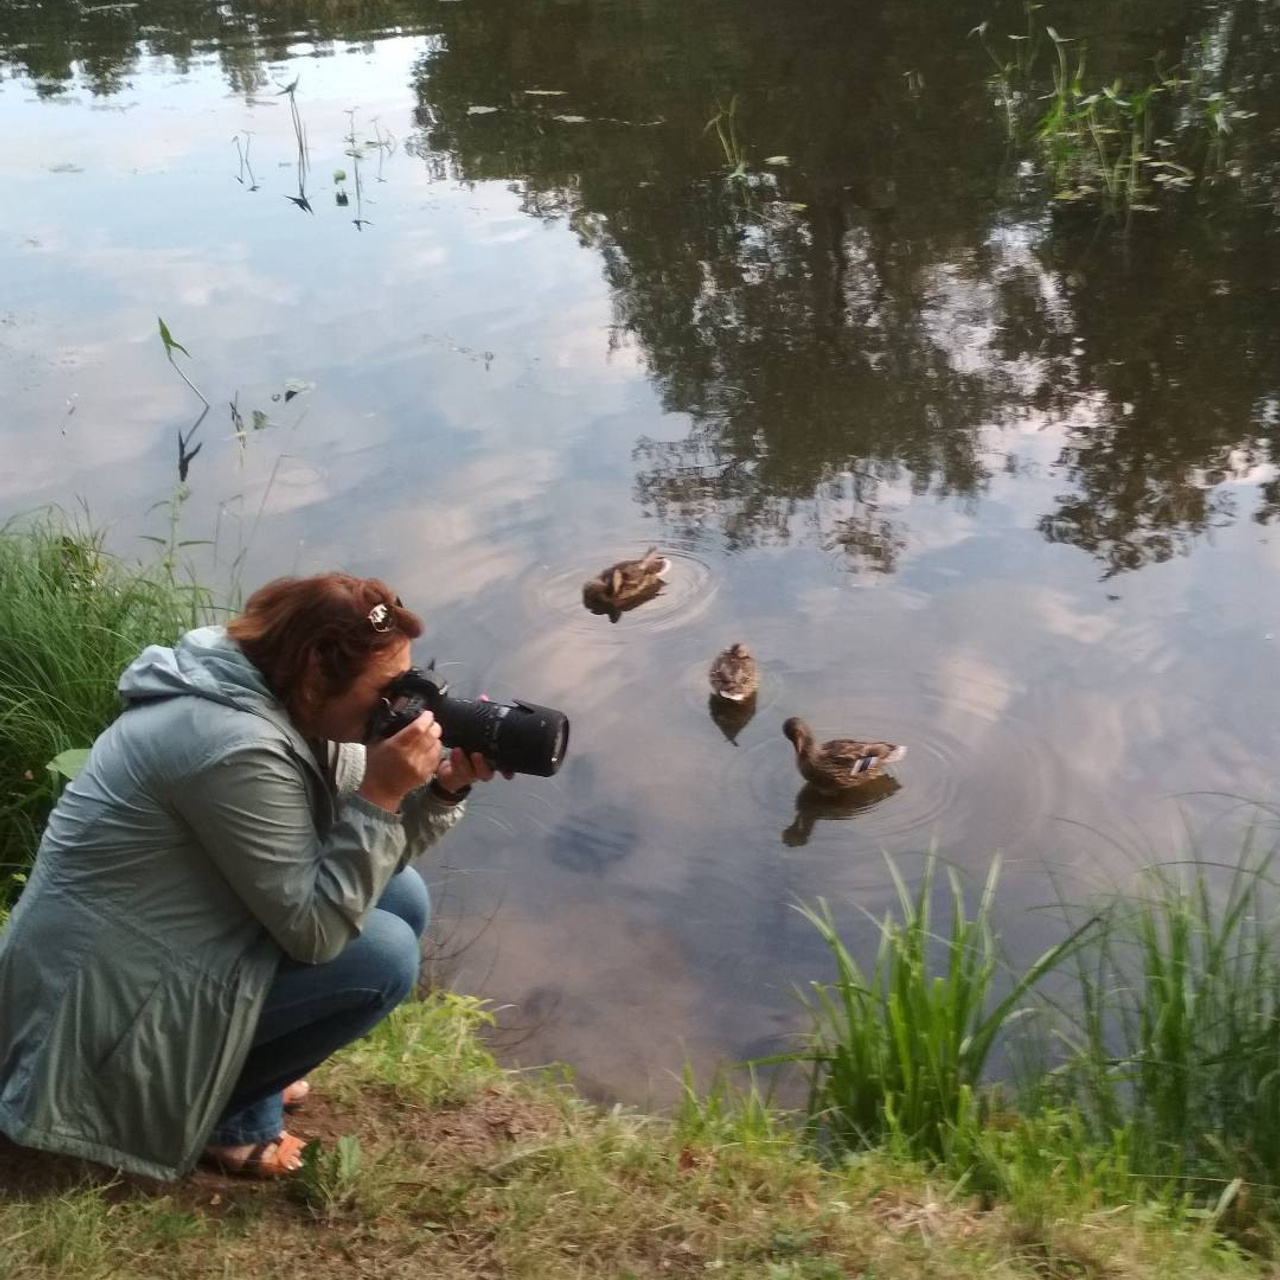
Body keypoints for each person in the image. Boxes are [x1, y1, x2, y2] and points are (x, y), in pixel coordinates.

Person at [0, 573, 501, 1180]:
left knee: (402, 895)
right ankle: (230, 1120)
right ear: (316, 674)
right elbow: (317, 931)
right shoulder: (231, 744)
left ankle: (241, 1071)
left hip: (168, 944)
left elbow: (362, 858)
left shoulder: (286, 698)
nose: (401, 708)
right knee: (384, 956)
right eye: (386, 692)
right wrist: (381, 794)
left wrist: (442, 790)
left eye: (408, 683)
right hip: (100, 1008)